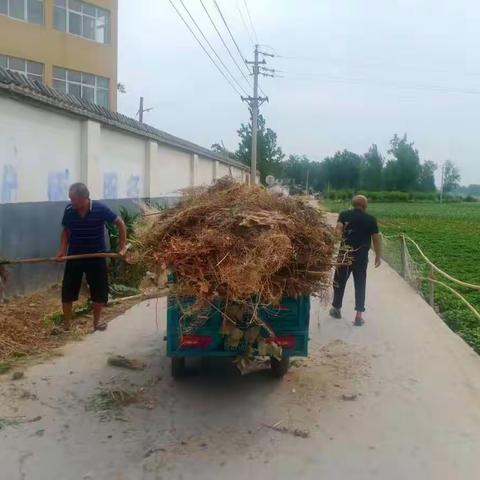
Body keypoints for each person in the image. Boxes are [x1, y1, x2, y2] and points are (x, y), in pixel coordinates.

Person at [56, 183, 127, 331]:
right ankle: (67, 325)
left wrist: (122, 246)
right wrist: (62, 250)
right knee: (68, 290)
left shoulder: (100, 209)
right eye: (70, 199)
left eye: (74, 199)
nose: (71, 202)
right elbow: (66, 232)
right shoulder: (69, 210)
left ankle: (96, 323)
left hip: (96, 256)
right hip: (74, 256)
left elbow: (120, 223)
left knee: (98, 292)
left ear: (84, 198)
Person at [329, 195, 382, 326]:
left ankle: (336, 309)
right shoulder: (371, 219)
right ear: (365, 205)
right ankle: (359, 316)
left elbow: (338, 231)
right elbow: (376, 239)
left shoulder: (344, 215)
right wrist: (378, 256)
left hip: (345, 255)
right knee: (360, 284)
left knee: (339, 281)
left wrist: (332, 242)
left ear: (353, 204)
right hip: (361, 258)